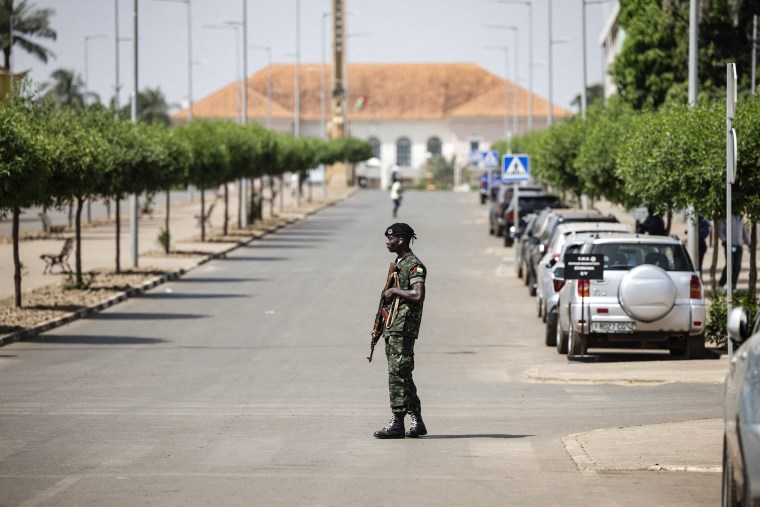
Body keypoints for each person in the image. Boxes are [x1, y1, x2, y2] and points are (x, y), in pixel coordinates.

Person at [371, 223, 427, 439]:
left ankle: (397, 423)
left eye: (391, 238)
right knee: (403, 374)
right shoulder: (399, 263)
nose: (388, 242)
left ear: (401, 240)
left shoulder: (414, 265)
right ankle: (417, 421)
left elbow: (418, 294)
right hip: (394, 327)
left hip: (403, 328)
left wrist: (394, 290)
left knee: (397, 375)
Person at [718, 214, 751, 290]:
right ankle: (721, 285)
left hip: (739, 245)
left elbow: (744, 232)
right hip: (729, 245)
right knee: (730, 265)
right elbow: (721, 231)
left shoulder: (740, 217)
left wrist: (749, 244)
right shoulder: (725, 216)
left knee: (737, 266)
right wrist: (725, 241)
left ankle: (733, 287)